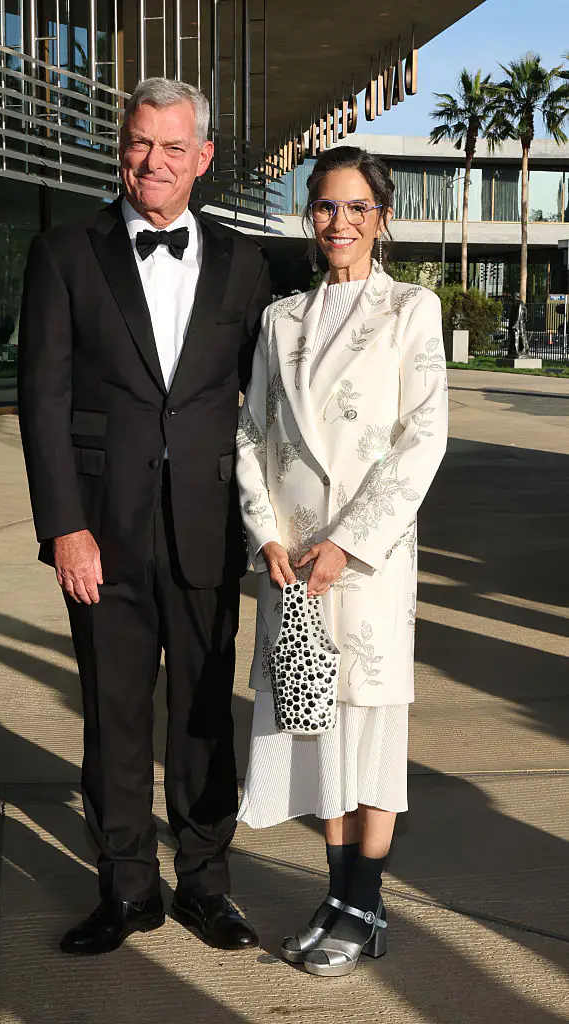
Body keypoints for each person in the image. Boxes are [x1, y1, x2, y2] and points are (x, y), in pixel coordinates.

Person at [18, 77, 271, 956]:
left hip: (207, 527)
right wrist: (63, 526)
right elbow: (42, 401)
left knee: (203, 719)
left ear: (202, 158)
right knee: (114, 719)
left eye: (171, 148)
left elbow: (268, 408)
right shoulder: (64, 251)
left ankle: (207, 885)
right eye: (137, 144)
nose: (150, 163)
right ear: (119, 148)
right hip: (102, 533)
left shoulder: (245, 263)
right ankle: (128, 890)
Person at [236, 146, 448, 978]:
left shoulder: (410, 310)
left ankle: (363, 905)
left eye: (357, 207)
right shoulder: (278, 319)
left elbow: (421, 437)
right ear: (309, 214)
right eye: (325, 206)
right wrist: (263, 533)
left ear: (381, 217)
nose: (340, 222)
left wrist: (349, 541)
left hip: (365, 563)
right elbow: (251, 431)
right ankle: (340, 899)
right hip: (290, 565)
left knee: (370, 730)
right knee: (314, 728)